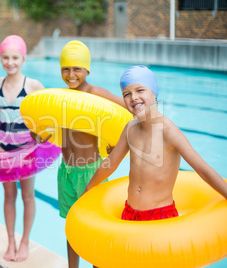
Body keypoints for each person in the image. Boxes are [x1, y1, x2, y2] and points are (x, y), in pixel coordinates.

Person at [83, 65, 227, 221]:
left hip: (159, 215)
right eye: (126, 94)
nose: (133, 97)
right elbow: (111, 163)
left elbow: (203, 169)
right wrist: (89, 188)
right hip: (130, 211)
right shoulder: (130, 129)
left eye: (140, 90)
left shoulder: (168, 131)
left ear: (153, 92)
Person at [34, 40, 125, 268]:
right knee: (71, 227)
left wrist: (115, 142)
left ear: (87, 70)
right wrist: (39, 135)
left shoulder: (96, 93)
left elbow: (126, 108)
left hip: (90, 171)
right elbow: (48, 132)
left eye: (77, 68)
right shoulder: (61, 99)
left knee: (93, 228)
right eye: (66, 68)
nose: (71, 74)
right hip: (66, 171)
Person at [0, 35, 44, 262]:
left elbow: (47, 116)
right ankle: (11, 241)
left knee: (27, 196)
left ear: (23, 58)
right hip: (3, 149)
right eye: (6, 57)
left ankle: (25, 242)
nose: (10, 62)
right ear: (1, 58)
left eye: (15, 57)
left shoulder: (33, 86)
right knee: (8, 196)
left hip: (26, 151)